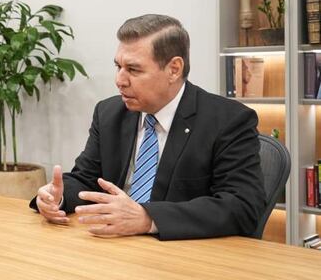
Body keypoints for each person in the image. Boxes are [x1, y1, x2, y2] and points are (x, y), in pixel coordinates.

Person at [31, 14, 266, 240]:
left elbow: (242, 206)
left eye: (133, 70)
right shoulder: (109, 113)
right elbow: (86, 179)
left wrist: (147, 218)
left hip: (187, 259)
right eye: (118, 67)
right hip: (114, 248)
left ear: (174, 69)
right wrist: (57, 197)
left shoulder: (228, 120)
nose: (120, 80)